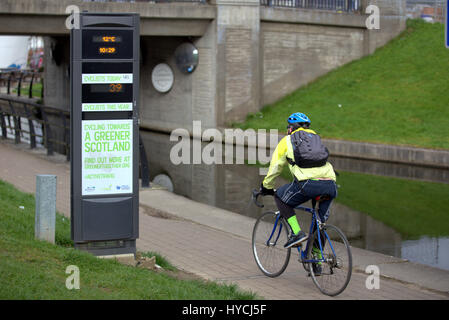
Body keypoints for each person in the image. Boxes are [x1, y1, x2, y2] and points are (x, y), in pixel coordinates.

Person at [259, 112, 337, 254]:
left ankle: (296, 233)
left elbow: (275, 167)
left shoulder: (287, 141)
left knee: (281, 198)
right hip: (330, 184)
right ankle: (317, 260)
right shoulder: (316, 138)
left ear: (290, 127)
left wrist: (266, 187)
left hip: (308, 184)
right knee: (320, 224)